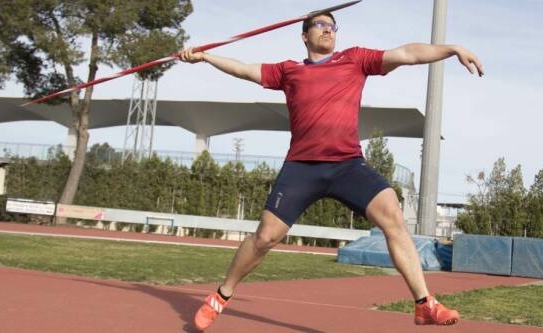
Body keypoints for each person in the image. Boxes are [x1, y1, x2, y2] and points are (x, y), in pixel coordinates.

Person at [178, 11, 484, 331]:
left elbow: (407, 54)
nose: (328, 30)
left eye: (332, 26)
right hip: (302, 168)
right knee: (265, 237)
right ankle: (221, 295)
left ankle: (425, 305)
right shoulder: (288, 71)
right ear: (305, 36)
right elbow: (245, 69)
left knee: (391, 210)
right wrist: (206, 57)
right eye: (321, 25)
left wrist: (450, 49)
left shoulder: (355, 60)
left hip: (347, 165)